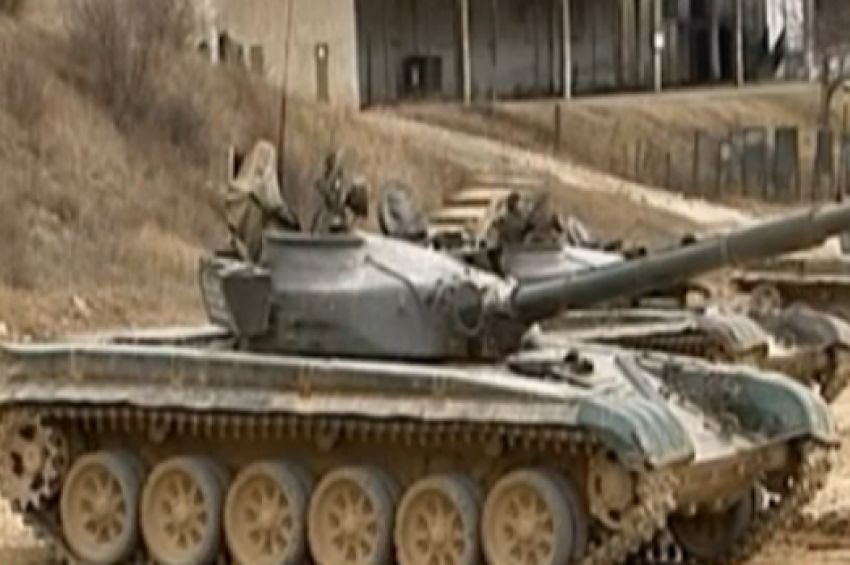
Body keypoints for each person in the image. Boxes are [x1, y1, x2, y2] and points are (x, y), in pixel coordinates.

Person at [223, 140, 300, 262]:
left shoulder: (239, 187)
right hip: (253, 242)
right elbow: (273, 203)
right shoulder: (261, 187)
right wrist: (291, 220)